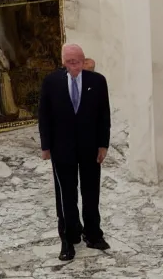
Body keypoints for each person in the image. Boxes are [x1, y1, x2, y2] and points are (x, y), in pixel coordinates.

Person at [38, 43, 111, 263]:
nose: (74, 66)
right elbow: (45, 116)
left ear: (84, 60)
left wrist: (103, 145)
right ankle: (68, 239)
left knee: (91, 192)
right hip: (62, 149)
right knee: (65, 196)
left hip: (90, 148)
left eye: (77, 61)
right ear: (63, 62)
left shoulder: (97, 82)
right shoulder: (51, 83)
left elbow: (104, 116)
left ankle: (93, 234)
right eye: (70, 62)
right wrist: (45, 147)